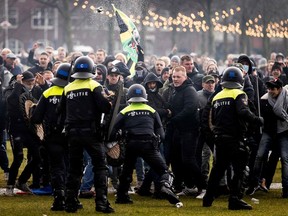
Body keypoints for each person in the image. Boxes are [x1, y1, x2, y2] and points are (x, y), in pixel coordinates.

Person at [57, 56, 114, 213]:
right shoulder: (94, 85)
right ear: (93, 70)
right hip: (91, 133)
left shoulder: (68, 88)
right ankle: (101, 203)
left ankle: (70, 202)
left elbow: (59, 111)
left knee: (74, 168)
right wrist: (109, 101)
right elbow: (105, 108)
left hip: (72, 133)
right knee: (100, 167)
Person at [203, 66, 264, 210]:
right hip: (235, 138)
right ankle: (234, 199)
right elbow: (243, 111)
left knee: (218, 169)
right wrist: (257, 120)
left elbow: (210, 116)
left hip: (220, 138)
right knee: (240, 170)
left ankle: (208, 198)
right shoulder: (239, 93)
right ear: (240, 80)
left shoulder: (217, 96)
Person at [111, 84, 181, 207]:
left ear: (129, 97)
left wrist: (118, 140)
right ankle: (165, 185)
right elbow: (161, 134)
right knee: (164, 170)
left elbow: (112, 130)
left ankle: (122, 196)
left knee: (126, 171)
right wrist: (156, 143)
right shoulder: (152, 110)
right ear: (145, 96)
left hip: (131, 144)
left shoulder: (124, 111)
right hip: (148, 144)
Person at [31, 63, 71, 210]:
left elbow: (36, 118)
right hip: (70, 136)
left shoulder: (47, 92)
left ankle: (58, 199)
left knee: (56, 168)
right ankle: (71, 198)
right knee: (70, 167)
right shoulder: (72, 91)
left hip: (52, 137)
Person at [5, 71, 47, 195]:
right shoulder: (12, 89)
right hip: (16, 129)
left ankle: (22, 180)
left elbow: (46, 97)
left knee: (37, 156)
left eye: (33, 82)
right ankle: (10, 186)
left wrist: (44, 85)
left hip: (30, 130)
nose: (31, 85)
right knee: (18, 158)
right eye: (29, 82)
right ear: (22, 81)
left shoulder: (35, 90)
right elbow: (11, 101)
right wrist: (18, 85)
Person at [165, 66, 205, 196]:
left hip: (189, 130)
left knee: (188, 159)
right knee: (176, 160)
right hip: (177, 130)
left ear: (185, 77)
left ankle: (203, 187)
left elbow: (190, 109)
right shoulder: (175, 91)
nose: (175, 79)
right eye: (173, 77)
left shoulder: (189, 90)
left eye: (178, 77)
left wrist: (174, 119)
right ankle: (185, 186)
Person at [247, 78, 288, 198]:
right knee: (259, 155)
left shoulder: (286, 98)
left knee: (285, 159)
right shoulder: (264, 99)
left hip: (284, 132)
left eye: (273, 88)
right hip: (269, 132)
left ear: (280, 89)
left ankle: (286, 188)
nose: (270, 91)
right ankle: (254, 183)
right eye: (269, 88)